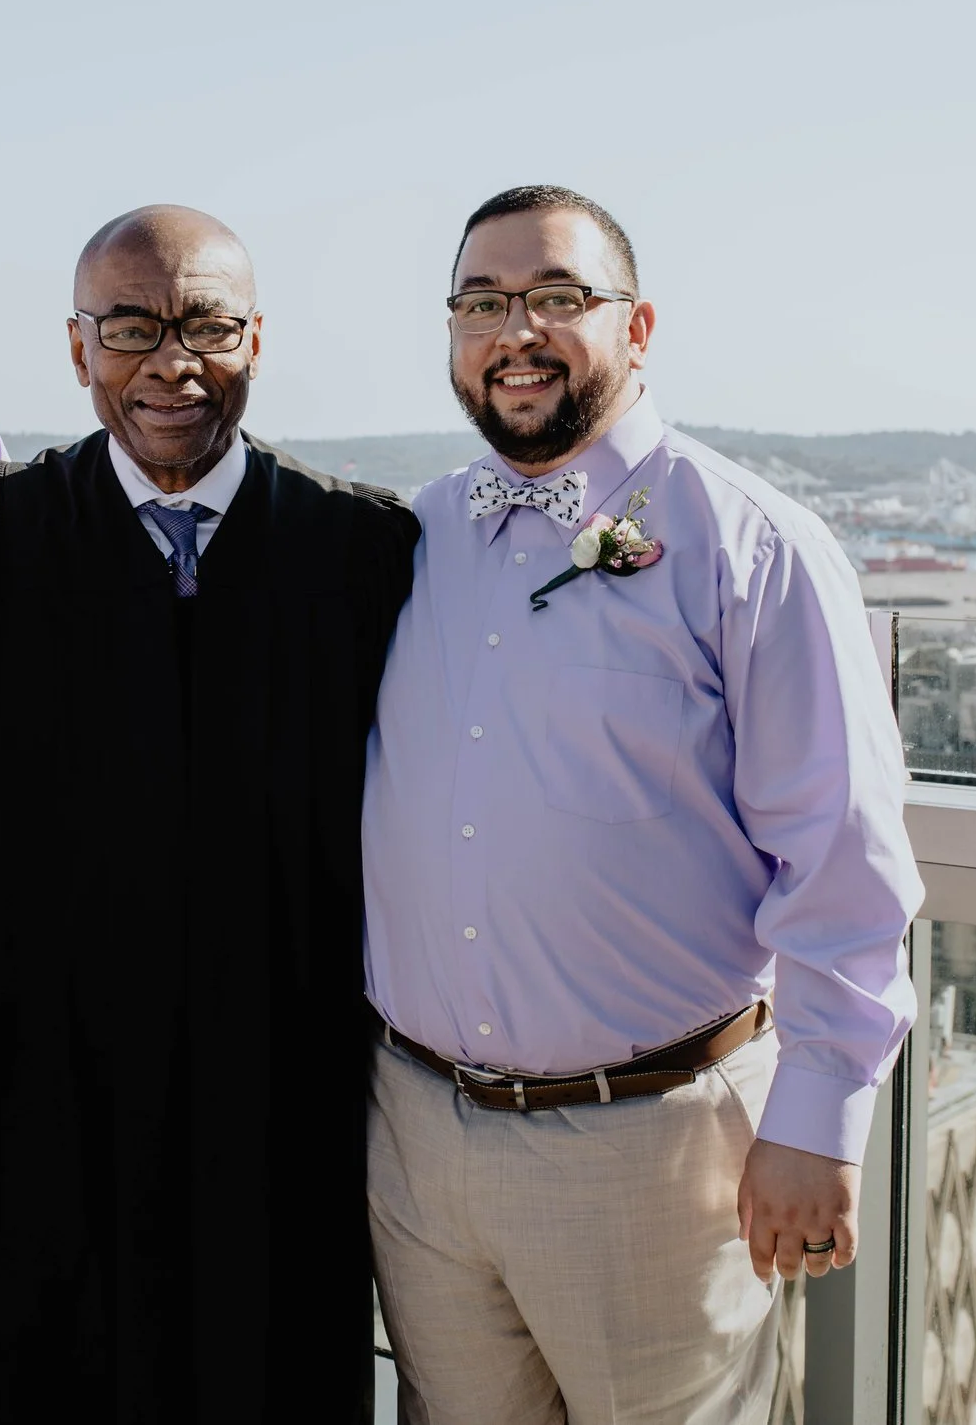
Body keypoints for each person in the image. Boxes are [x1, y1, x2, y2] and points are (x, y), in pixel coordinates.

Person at [361, 185, 921, 1423]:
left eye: (558, 297)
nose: (517, 330)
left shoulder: (750, 544)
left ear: (639, 324)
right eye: (482, 302)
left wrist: (819, 1117)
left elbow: (841, 857)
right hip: (416, 1134)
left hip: (654, 1151)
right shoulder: (417, 537)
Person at [0, 205, 419, 1422]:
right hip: (58, 1088)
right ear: (77, 348)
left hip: (284, 1091)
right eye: (131, 327)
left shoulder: (357, 548)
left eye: (206, 323)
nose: (172, 361)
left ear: (255, 336)